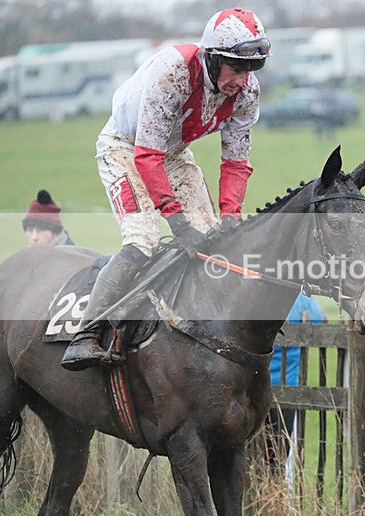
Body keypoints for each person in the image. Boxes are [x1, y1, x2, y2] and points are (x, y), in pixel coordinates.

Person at [62, 8, 272, 371]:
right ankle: (86, 332)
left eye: (250, 70)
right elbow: (146, 157)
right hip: (126, 149)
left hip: (172, 154)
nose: (242, 80)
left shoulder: (246, 93)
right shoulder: (173, 72)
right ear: (213, 57)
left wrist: (231, 215)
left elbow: (236, 162)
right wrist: (177, 223)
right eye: (236, 68)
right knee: (143, 238)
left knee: (213, 238)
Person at [265, 292, 325, 483]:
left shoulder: (260, 295)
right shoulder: (299, 299)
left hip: (253, 389)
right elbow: (320, 319)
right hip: (288, 391)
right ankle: (279, 498)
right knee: (282, 456)